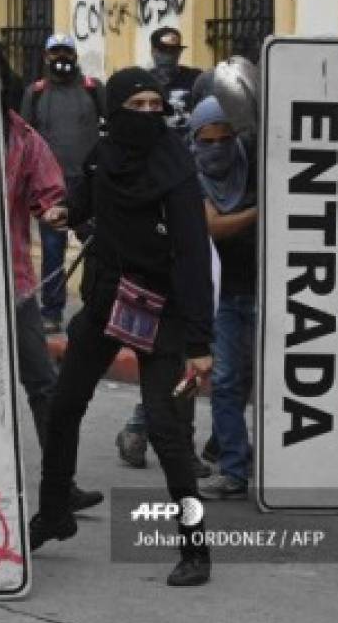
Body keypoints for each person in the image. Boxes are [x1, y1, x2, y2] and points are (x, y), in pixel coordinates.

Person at [29, 67, 214, 588]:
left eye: (158, 107)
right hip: (108, 300)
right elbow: (89, 197)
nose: (150, 116)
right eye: (139, 107)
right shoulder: (104, 154)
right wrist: (65, 211)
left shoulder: (174, 167)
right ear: (115, 111)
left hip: (162, 307)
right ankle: (53, 512)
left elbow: (194, 255)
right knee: (64, 408)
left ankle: (196, 548)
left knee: (166, 430)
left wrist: (199, 343)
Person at [2, 64, 104, 515]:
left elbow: (50, 195)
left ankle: (60, 483)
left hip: (15, 287)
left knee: (42, 385)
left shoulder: (23, 139)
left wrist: (58, 214)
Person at [185, 98, 257, 500]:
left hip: (266, 288)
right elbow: (213, 226)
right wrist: (264, 212)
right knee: (227, 380)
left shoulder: (256, 161)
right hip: (222, 293)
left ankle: (230, 445)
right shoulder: (190, 174)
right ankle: (233, 470)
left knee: (254, 378)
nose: (216, 148)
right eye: (207, 140)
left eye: (224, 139)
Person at [19, 33, 104, 333]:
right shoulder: (36, 93)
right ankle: (52, 312)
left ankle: (97, 307)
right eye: (55, 53)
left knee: (96, 249)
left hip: (89, 187)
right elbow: (24, 138)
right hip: (51, 189)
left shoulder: (93, 90)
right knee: (53, 251)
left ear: (76, 56)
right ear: (45, 57)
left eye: (67, 52)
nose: (61, 59)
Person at [148, 26, 202, 135]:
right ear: (153, 52)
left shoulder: (195, 78)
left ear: (179, 53)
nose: (169, 57)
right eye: (163, 51)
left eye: (173, 51)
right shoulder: (143, 81)